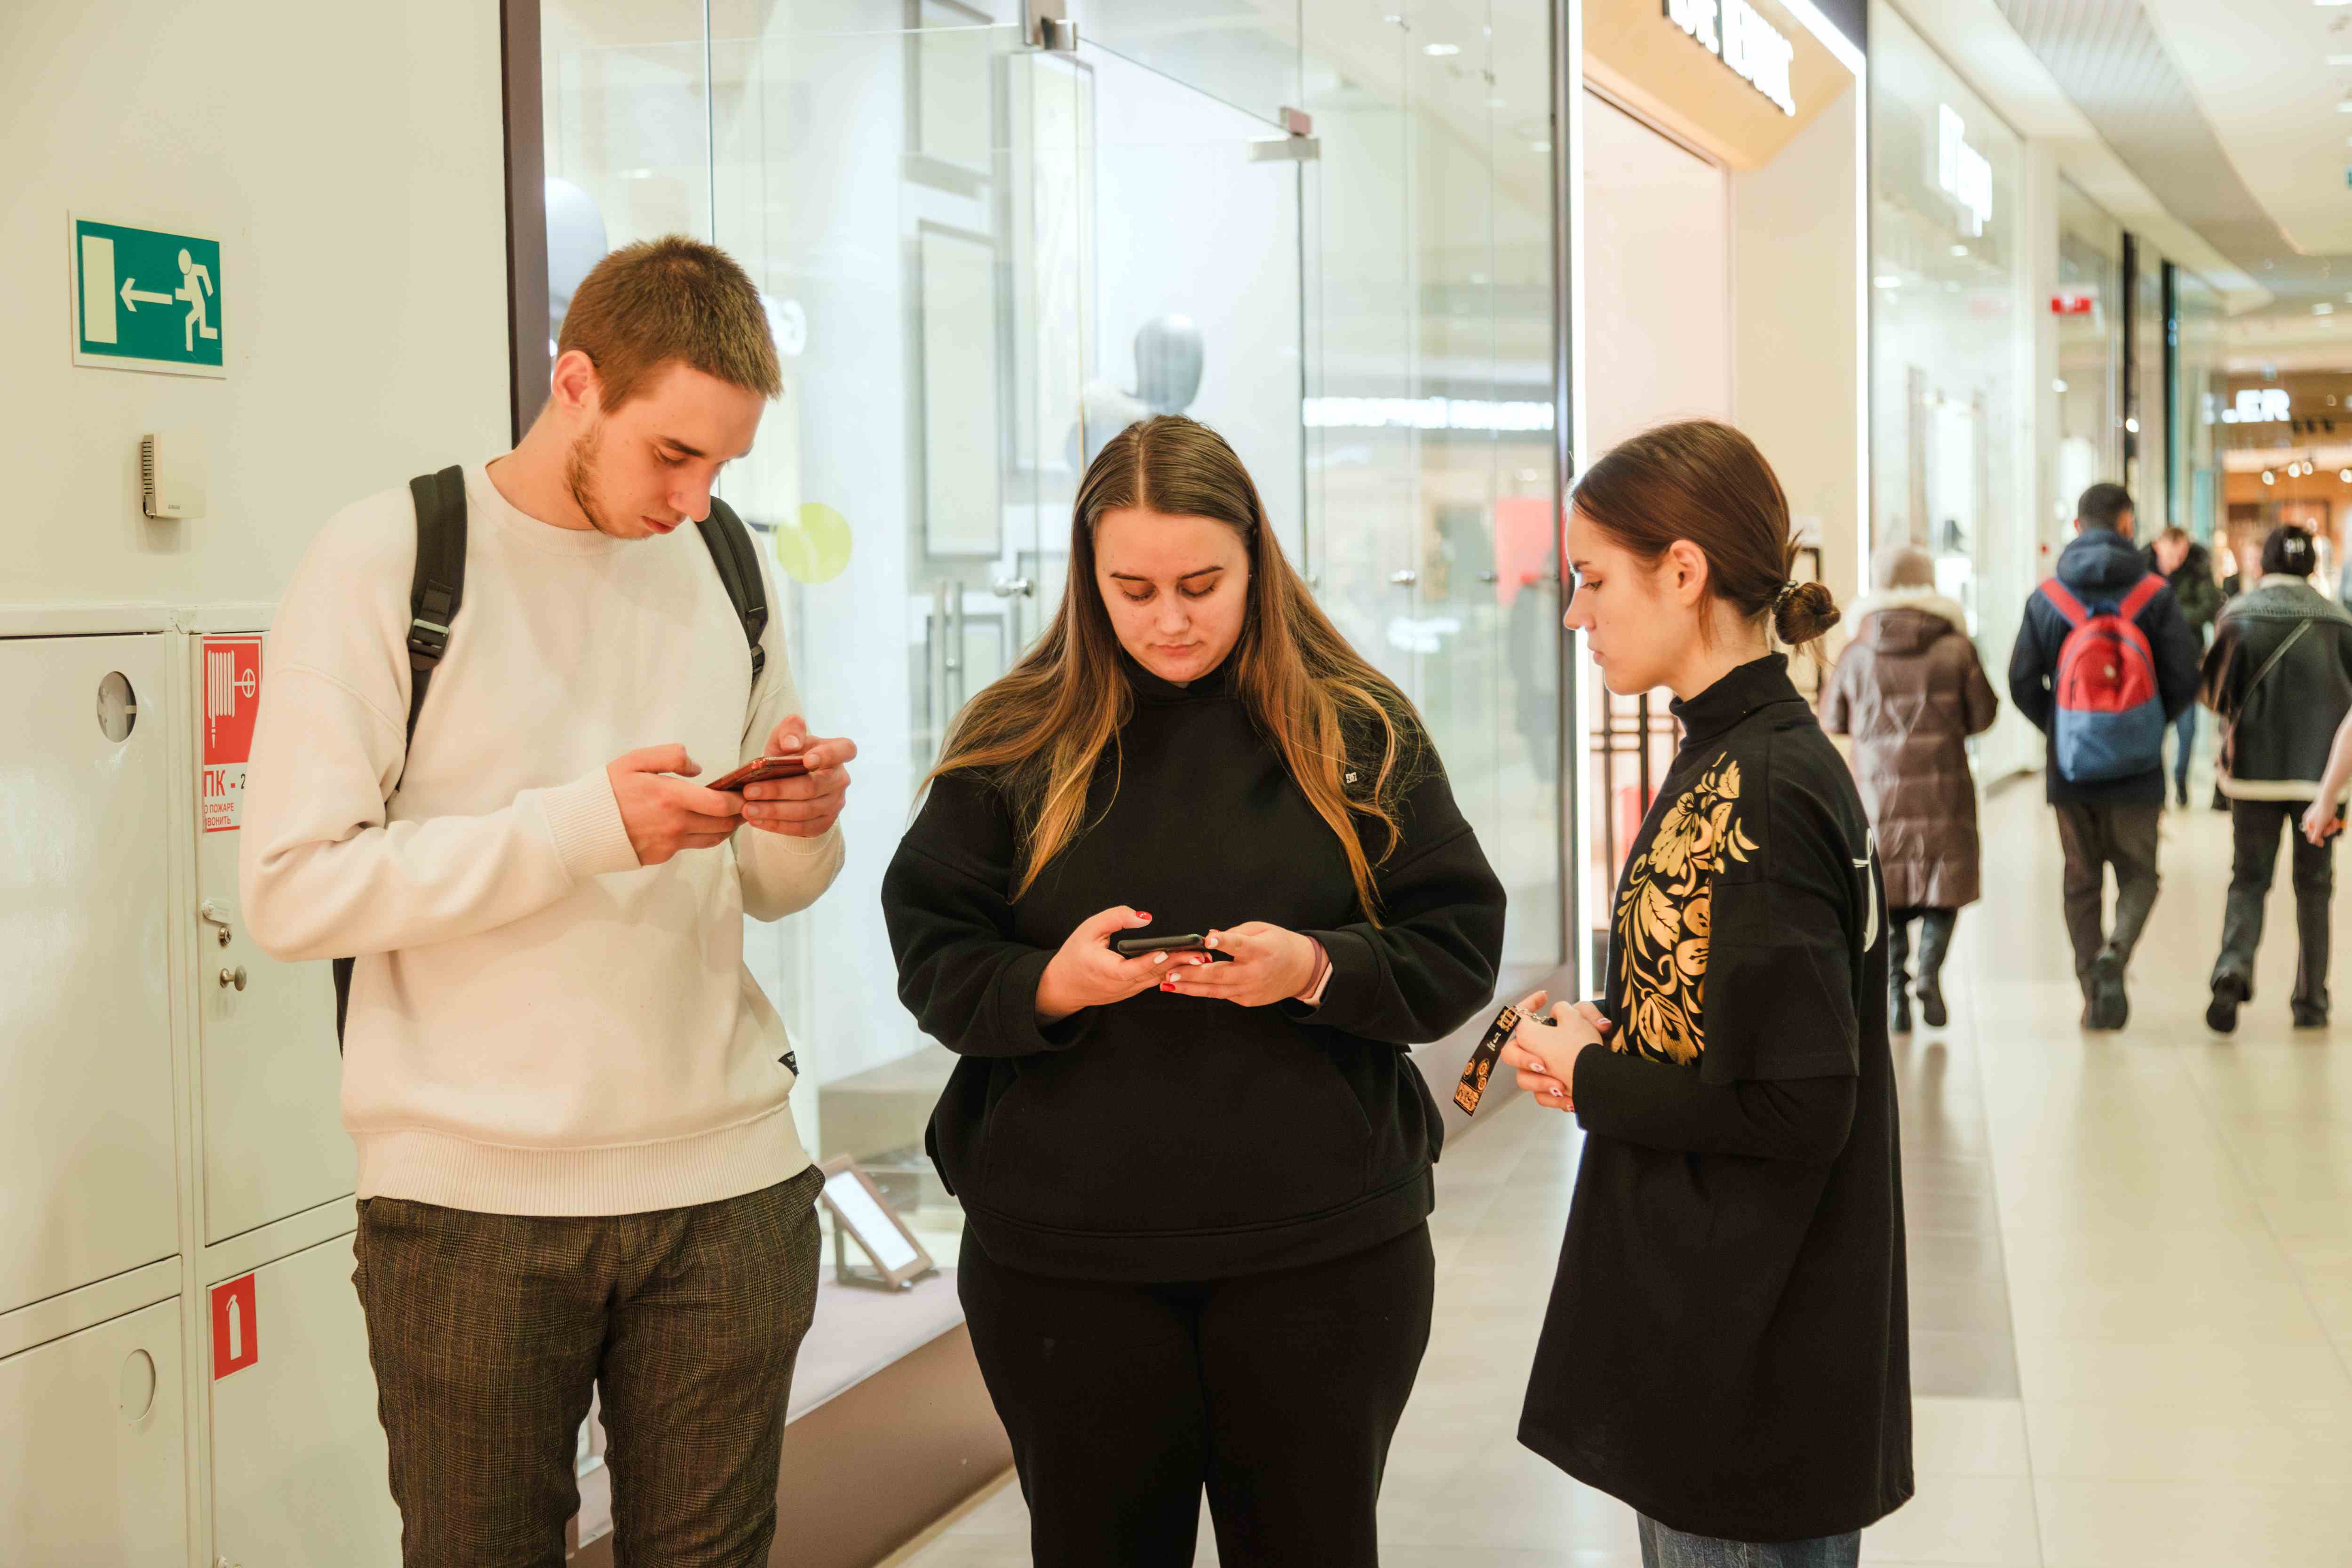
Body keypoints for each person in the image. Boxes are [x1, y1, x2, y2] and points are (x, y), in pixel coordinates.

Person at [240, 237, 856, 1568]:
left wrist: (802, 825)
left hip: (730, 1187)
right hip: (471, 1211)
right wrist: (582, 829)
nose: (695, 499)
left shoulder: (728, 562)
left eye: (723, 466)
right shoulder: (394, 557)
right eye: (672, 454)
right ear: (576, 383)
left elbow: (769, 887)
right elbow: (292, 890)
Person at [882, 414, 1505, 1568]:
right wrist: (1048, 985)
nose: (1169, 618)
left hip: (1324, 1254)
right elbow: (933, 951)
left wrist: (1315, 968)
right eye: (1133, 589)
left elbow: (1456, 942)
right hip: (1067, 1267)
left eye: (1201, 585)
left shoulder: (1357, 727)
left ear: (1256, 561)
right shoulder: (1015, 739)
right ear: (1088, 580)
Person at [1501, 420, 1912, 1568]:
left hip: (1747, 1350)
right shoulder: (1737, 754)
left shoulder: (1765, 784)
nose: (1575, 614)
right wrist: (1614, 1030)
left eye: (1593, 580)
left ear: (1682, 571)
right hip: (1725, 1326)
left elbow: (1801, 1108)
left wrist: (1594, 1075)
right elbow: (1734, 1011)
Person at [2006, 482, 2201, 1029]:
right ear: (2126, 526)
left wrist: (2062, 729)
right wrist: (2143, 726)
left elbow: (2020, 681)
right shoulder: (2154, 595)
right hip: (2137, 771)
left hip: (2070, 771)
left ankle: (2093, 993)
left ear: (2076, 527)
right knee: (2139, 874)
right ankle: (2116, 952)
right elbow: (2185, 677)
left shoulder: (2047, 598)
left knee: (2080, 881)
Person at [1821, 542, 1998, 1034]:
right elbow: (1983, 715)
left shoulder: (1856, 651)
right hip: (1944, 790)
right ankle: (1928, 973)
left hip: (1877, 798)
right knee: (1945, 887)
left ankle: (1895, 992)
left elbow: (1831, 718)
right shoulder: (1956, 647)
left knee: (1889, 892)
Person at [2198, 525, 2352, 1032]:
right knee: (2314, 887)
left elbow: (2212, 694)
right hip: (2321, 782)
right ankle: (2311, 1001)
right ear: (2311, 566)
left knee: (2248, 878)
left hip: (2251, 776)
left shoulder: (2236, 616)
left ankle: (2232, 968)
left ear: (2262, 563)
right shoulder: (2340, 621)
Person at [2142, 525, 2223, 805]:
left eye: (2182, 555)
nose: (2177, 561)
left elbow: (2209, 608)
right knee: (2153, 730)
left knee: (2188, 729)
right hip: (2151, 664)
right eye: (2172, 555)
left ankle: (2181, 780)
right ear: (2158, 546)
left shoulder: (2198, 568)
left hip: (2186, 661)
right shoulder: (2141, 569)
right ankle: (2157, 788)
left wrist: (2168, 614)